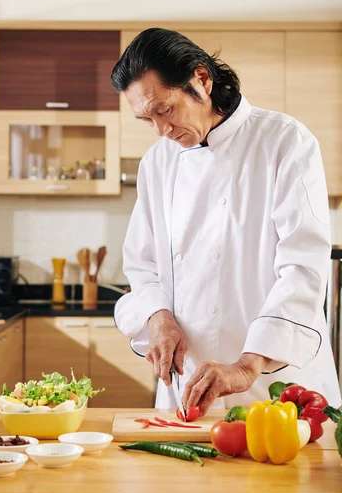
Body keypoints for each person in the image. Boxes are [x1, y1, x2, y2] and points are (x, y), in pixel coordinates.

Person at [110, 28, 341, 417]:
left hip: (276, 384)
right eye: (146, 119)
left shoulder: (285, 142)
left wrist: (246, 365)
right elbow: (142, 265)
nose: (161, 130)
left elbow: (302, 269)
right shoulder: (158, 162)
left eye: (164, 109)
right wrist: (158, 318)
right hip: (190, 386)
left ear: (201, 79)